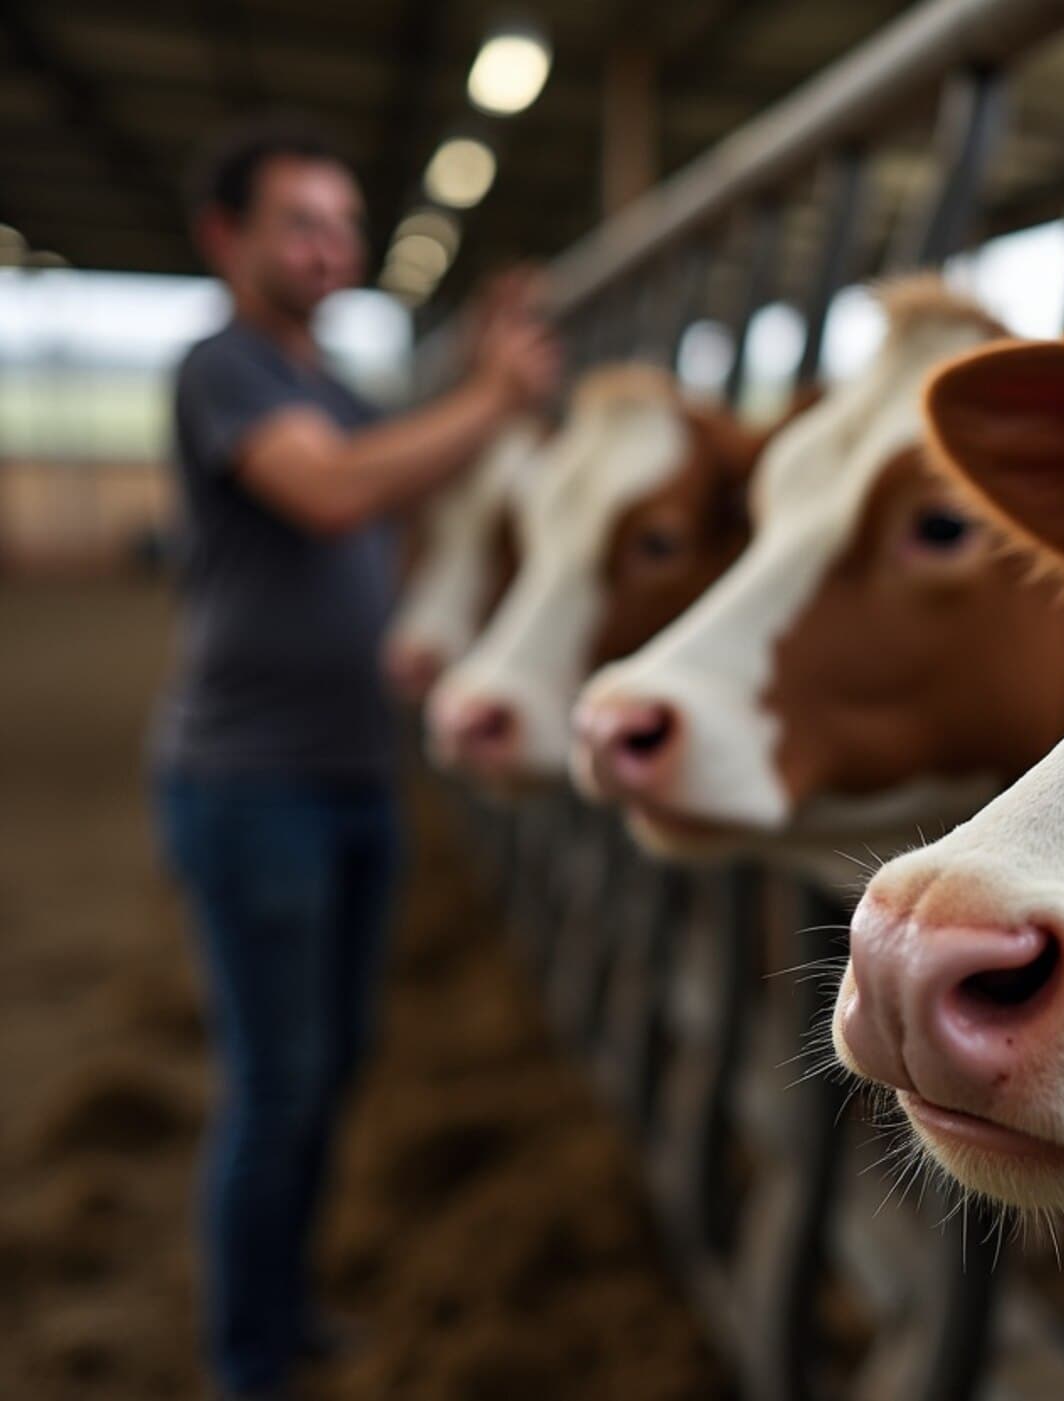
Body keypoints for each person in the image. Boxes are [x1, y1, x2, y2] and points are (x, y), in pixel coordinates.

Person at [150, 120, 558, 1400]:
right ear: (227, 240)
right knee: (276, 1084)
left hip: (351, 770)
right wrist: (490, 395)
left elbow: (376, 532)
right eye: (298, 224)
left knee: (328, 1066)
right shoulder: (223, 369)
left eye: (340, 224)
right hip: (249, 779)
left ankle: (287, 1304)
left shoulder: (331, 386)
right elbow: (330, 497)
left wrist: (412, 637)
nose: (329, 247)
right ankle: (248, 1362)